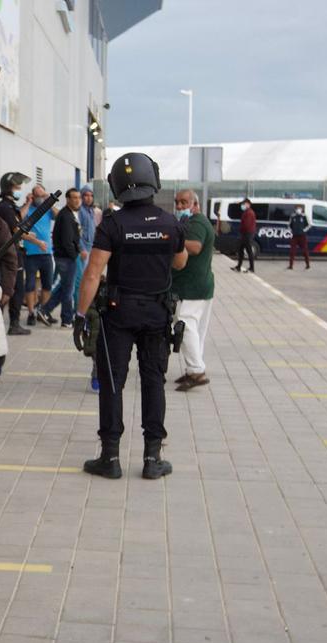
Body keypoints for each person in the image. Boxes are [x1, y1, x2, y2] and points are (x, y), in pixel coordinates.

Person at [74, 152, 187, 480]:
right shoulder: (170, 223)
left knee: (113, 382)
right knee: (154, 382)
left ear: (117, 186)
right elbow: (180, 263)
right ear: (154, 180)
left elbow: (93, 273)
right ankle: (153, 458)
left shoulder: (113, 224)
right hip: (156, 313)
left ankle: (110, 457)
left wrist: (81, 315)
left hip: (118, 314)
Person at [171, 189, 215, 392]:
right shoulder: (192, 222)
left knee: (185, 325)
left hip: (192, 288)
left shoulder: (196, 223)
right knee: (196, 331)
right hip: (199, 286)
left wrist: (170, 238)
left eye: (184, 202)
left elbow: (195, 247)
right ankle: (193, 369)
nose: (179, 206)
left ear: (195, 204)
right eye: (177, 202)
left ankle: (197, 371)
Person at [0, 171, 33, 335]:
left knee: (14, 289)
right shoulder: (5, 207)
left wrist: (28, 203)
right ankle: (11, 324)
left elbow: (18, 217)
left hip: (13, 253)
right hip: (11, 255)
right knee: (14, 289)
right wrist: (36, 241)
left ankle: (4, 323)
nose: (19, 190)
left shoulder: (8, 206)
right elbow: (16, 229)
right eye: (17, 187)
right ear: (8, 188)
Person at [40, 188, 82, 327]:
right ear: (68, 199)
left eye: (78, 198)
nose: (77, 200)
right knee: (68, 291)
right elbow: (67, 241)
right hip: (66, 258)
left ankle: (44, 310)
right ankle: (67, 320)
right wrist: (75, 255)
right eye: (74, 198)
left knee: (64, 288)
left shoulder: (69, 214)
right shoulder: (66, 216)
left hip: (65, 257)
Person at [22, 185, 57, 327]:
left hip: (46, 253)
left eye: (41, 196)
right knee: (30, 285)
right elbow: (19, 217)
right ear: (32, 195)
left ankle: (43, 311)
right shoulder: (28, 208)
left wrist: (50, 200)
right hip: (30, 253)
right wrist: (28, 202)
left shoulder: (47, 210)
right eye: (37, 195)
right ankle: (31, 313)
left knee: (47, 285)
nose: (39, 198)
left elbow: (60, 217)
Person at [74, 184, 100, 307]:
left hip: (89, 249)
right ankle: (77, 309)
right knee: (78, 281)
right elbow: (77, 232)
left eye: (91, 195)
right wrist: (82, 249)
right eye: (86, 195)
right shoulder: (80, 211)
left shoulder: (91, 211)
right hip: (82, 251)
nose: (88, 198)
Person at [233, 198, 256, 273]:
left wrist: (241, 230)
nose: (242, 205)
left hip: (247, 234)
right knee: (241, 250)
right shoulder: (246, 212)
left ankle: (251, 268)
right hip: (245, 234)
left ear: (248, 204)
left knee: (249, 251)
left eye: (244, 204)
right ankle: (239, 266)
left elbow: (247, 225)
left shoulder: (249, 213)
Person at [288, 205, 310, 270]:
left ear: (302, 209)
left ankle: (308, 265)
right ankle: (290, 265)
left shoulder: (304, 216)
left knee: (305, 251)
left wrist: (304, 230)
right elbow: (289, 225)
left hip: (302, 236)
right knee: (292, 251)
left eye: (299, 208)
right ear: (295, 209)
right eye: (297, 208)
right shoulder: (292, 216)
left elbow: (309, 225)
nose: (298, 210)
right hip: (294, 236)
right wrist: (291, 231)